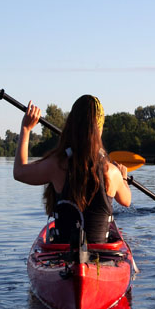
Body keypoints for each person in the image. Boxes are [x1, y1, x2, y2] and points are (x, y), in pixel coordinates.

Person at [13, 95, 131, 244]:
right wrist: (124, 178)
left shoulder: (57, 165)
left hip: (62, 256)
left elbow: (19, 172)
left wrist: (26, 129)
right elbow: (126, 201)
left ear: (71, 125)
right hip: (102, 258)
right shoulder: (111, 172)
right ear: (100, 128)